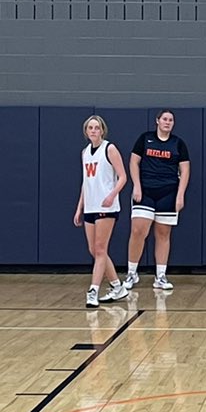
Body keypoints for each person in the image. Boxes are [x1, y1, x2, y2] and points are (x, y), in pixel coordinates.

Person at [124, 110, 191, 294]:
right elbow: (133, 162)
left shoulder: (178, 144)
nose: (167, 122)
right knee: (138, 231)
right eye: (164, 119)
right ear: (157, 121)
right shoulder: (145, 139)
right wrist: (136, 186)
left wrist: (180, 194)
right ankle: (131, 273)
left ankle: (160, 276)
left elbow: (185, 170)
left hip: (168, 193)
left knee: (163, 235)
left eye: (170, 120)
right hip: (145, 192)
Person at [76, 114, 128, 307]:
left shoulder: (110, 148)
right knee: (94, 250)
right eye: (90, 128)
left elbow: (123, 177)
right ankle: (117, 286)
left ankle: (93, 291)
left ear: (102, 130)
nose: (93, 131)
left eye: (97, 128)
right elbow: (86, 182)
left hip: (107, 206)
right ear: (86, 131)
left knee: (100, 249)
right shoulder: (85, 152)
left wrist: (111, 195)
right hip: (90, 206)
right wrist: (79, 207)